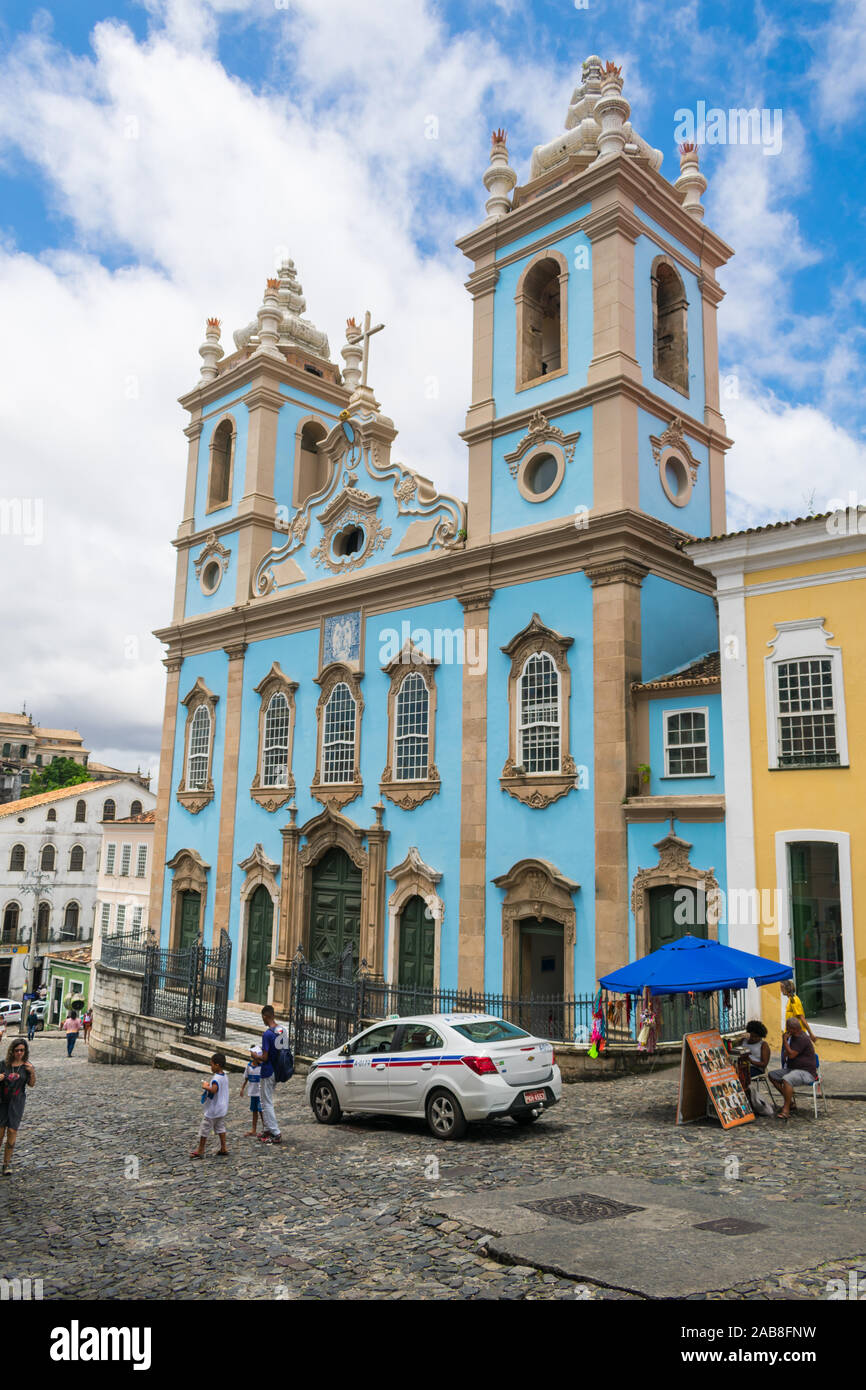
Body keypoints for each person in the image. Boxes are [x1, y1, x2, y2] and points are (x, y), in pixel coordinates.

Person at [768, 1016, 818, 1120]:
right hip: (793, 1068)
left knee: (787, 1079)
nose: (786, 1030)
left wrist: (784, 1041)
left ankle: (786, 1110)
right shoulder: (794, 1037)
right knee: (772, 1075)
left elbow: (791, 1055)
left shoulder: (802, 1038)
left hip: (806, 1072)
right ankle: (790, 1101)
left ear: (793, 1029)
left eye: (788, 1028)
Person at [0, 1037, 36, 1175]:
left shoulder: (27, 1067)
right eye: (17, 1050)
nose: (19, 1053)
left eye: (22, 1050)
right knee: (0, 1133)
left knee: (12, 1132)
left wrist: (32, 1072)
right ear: (12, 1051)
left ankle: (6, 1164)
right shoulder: (4, 1065)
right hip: (2, 1102)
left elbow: (31, 1084)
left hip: (17, 1103)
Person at [190, 1053, 229, 1159]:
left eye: (211, 1064)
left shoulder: (216, 1078)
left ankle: (201, 1150)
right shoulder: (224, 1076)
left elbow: (214, 1090)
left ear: (217, 1065)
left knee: (205, 1128)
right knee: (220, 1127)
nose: (211, 1067)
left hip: (213, 1109)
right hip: (222, 1108)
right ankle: (224, 1147)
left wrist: (206, 1087)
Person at [258, 1005, 282, 1145]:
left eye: (263, 1018)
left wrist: (256, 1055)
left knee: (266, 1102)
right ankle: (267, 1128)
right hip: (277, 1069)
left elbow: (265, 1057)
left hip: (268, 1070)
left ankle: (275, 1132)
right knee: (266, 1099)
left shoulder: (267, 1034)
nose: (263, 1021)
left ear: (266, 1016)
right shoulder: (280, 1030)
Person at [241, 1046, 264, 1137]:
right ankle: (253, 1129)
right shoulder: (249, 1067)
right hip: (253, 1093)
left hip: (260, 1093)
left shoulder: (262, 1067)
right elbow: (246, 1078)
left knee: (261, 1111)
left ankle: (265, 1128)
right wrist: (242, 1088)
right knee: (254, 1111)